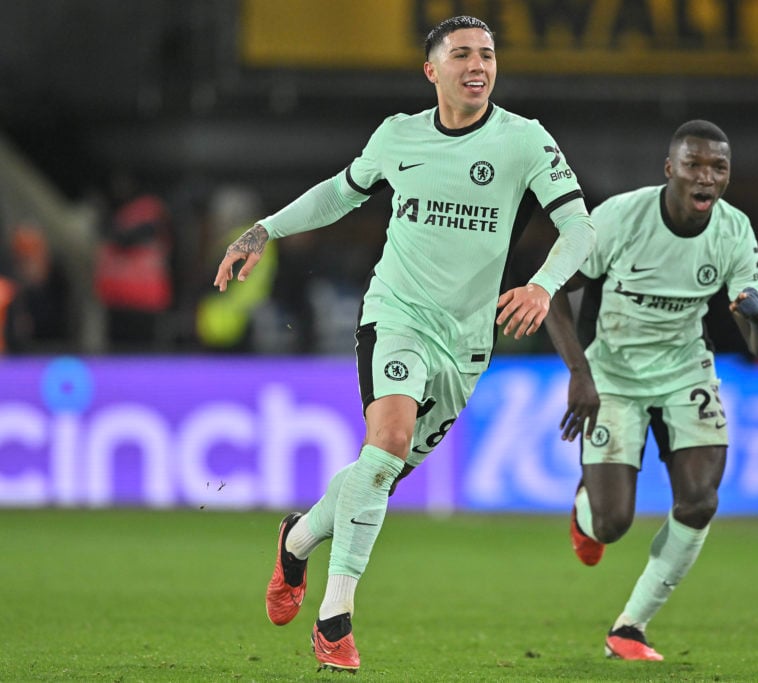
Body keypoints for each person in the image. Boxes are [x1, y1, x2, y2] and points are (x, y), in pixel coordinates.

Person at [213, 15, 594, 673]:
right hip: (397, 314)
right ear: (432, 70)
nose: (478, 65)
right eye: (463, 55)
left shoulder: (524, 141)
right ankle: (335, 621)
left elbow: (580, 229)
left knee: (378, 473)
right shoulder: (399, 136)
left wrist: (541, 285)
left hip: (467, 345)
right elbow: (340, 192)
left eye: (488, 54)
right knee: (385, 443)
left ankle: (296, 540)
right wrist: (264, 230)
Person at [544, 120, 758, 662]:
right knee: (612, 524)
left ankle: (631, 627)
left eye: (718, 167)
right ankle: (587, 509)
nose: (707, 177)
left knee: (700, 501)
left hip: (686, 373)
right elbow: (551, 288)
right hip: (615, 377)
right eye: (695, 165)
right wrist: (580, 374)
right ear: (669, 168)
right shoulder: (620, 219)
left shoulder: (733, 232)